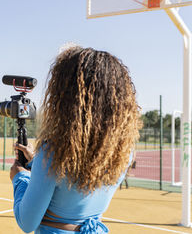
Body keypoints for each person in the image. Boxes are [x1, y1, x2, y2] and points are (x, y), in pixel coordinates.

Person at [10, 46, 141, 233]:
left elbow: (27, 222)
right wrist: (35, 163)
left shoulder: (52, 154)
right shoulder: (123, 152)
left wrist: (20, 177)